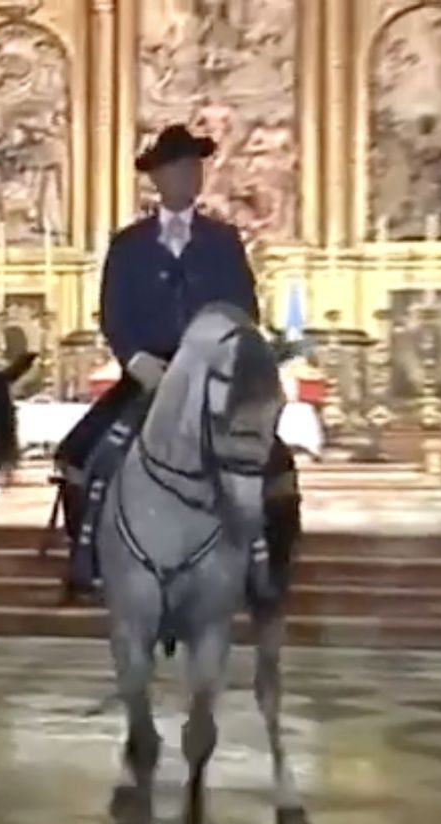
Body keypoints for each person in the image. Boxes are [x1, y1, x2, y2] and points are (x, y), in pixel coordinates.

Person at [52, 123, 264, 593]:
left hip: (209, 376)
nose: (189, 177)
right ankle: (87, 560)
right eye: (179, 169)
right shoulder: (128, 245)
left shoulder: (222, 240)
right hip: (147, 373)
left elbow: (244, 309)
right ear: (158, 178)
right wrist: (136, 360)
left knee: (264, 460)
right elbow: (114, 311)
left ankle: (257, 561)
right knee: (79, 453)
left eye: (195, 168)